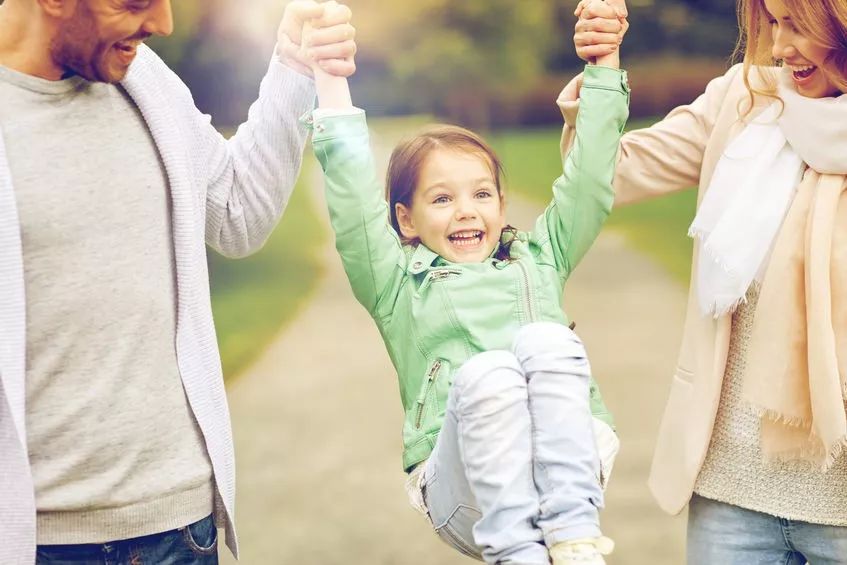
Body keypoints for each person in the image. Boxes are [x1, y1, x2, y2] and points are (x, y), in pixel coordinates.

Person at [0, 0, 356, 563]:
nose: (162, 23)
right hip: (37, 543)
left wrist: (292, 62)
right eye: (135, 2)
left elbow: (239, 212)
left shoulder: (141, 77)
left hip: (179, 531)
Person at [299, 2, 629, 563]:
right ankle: (517, 553)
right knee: (492, 371)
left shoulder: (541, 256)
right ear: (405, 219)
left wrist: (604, 64)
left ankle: (575, 537)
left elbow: (592, 176)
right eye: (442, 199)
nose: (466, 212)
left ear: (502, 204)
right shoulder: (396, 284)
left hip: (566, 468)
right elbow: (353, 195)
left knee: (549, 341)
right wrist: (330, 82)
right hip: (466, 491)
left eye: (481, 194)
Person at [569, 0, 847, 562]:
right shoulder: (744, 101)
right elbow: (607, 176)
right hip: (730, 499)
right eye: (772, 23)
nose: (780, 45)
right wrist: (602, 70)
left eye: (799, 25)